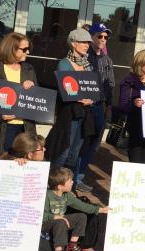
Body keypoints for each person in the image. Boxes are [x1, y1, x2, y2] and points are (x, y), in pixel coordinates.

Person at [0, 32, 37, 158]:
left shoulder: (29, 69)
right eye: (24, 49)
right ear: (11, 49)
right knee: (2, 163)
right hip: (3, 127)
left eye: (28, 49)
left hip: (24, 127)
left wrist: (33, 87)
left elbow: (36, 100)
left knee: (22, 164)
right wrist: (0, 115)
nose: (28, 52)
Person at [45, 28, 94, 178]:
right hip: (68, 114)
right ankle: (53, 183)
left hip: (84, 113)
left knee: (74, 153)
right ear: (73, 43)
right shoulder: (64, 64)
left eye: (88, 42)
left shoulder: (88, 65)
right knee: (63, 151)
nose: (87, 45)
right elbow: (65, 90)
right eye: (83, 42)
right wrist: (78, 95)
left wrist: (90, 99)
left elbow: (92, 89)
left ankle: (68, 187)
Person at [73, 23, 115, 192]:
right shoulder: (83, 56)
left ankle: (80, 176)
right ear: (91, 37)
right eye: (100, 36)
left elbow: (110, 84)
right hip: (84, 107)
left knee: (93, 146)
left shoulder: (107, 60)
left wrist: (109, 106)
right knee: (81, 143)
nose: (103, 40)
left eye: (106, 37)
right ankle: (73, 178)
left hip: (99, 107)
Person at [43, 167, 110, 251]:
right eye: (69, 181)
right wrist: (54, 217)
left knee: (81, 216)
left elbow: (82, 206)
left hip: (60, 222)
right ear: (60, 186)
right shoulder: (47, 195)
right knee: (60, 222)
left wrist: (100, 210)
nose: (72, 182)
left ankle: (71, 246)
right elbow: (39, 215)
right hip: (46, 224)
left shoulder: (66, 195)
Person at [118, 49, 145, 163]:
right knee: (136, 163)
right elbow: (122, 106)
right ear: (140, 64)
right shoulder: (129, 82)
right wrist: (134, 104)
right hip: (136, 128)